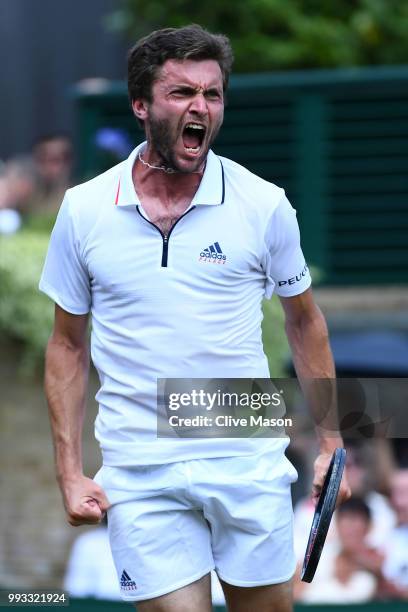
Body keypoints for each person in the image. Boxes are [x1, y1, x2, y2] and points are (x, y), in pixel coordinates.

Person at [40, 25, 350, 612]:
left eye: (212, 94)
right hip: (139, 464)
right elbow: (66, 346)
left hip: (245, 451)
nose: (201, 107)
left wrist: (332, 440)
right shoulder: (83, 210)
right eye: (182, 93)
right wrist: (70, 471)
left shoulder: (264, 204)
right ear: (141, 105)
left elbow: (305, 323)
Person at [294, 497, 381, 604]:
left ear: (368, 527)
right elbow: (296, 594)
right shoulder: (317, 558)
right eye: (345, 521)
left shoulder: (376, 568)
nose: (349, 528)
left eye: (354, 521)